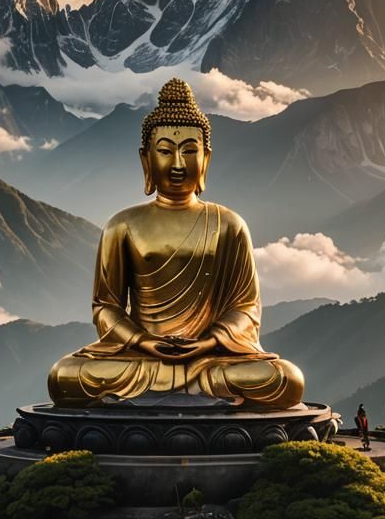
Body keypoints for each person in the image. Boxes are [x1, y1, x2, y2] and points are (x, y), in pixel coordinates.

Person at [48, 78, 305, 408]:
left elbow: (246, 307)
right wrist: (143, 342)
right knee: (66, 376)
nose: (179, 164)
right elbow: (106, 307)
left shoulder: (229, 225)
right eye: (166, 151)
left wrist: (208, 343)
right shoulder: (122, 225)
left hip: (210, 361)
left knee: (284, 378)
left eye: (189, 151)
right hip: (142, 361)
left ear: (206, 158)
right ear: (146, 159)